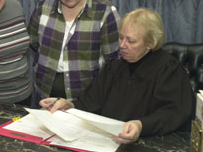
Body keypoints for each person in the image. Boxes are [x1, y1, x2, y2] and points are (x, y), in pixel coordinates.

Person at [40, 8, 193, 144]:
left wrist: (141, 125)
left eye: (131, 41)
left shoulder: (168, 69)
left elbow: (174, 112)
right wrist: (69, 105)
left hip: (151, 144)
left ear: (150, 43)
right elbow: (91, 101)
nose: (122, 45)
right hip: (109, 143)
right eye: (121, 38)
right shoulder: (115, 67)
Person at [28, 0, 120, 105]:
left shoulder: (104, 12)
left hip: (86, 100)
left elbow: (114, 61)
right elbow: (33, 43)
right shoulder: (43, 7)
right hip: (44, 96)